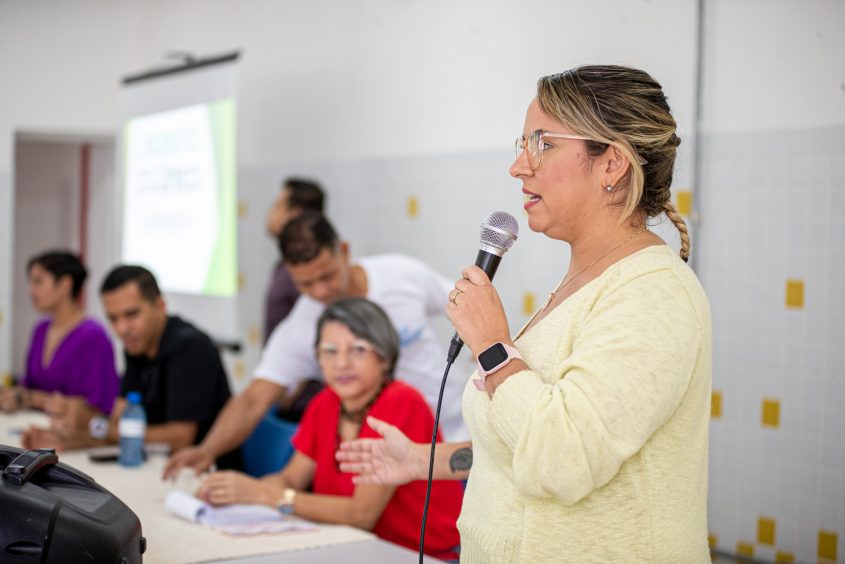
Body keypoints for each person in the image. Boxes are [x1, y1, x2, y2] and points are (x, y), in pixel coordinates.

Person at [337, 65, 713, 562]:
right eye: (523, 145)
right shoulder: (585, 283)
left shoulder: (653, 294)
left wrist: (494, 348)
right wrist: (422, 460)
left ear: (612, 165)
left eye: (543, 144)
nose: (518, 167)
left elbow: (562, 459)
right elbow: (528, 438)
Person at [163, 212, 468, 479]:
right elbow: (255, 399)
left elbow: (467, 308)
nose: (321, 292)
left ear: (344, 251)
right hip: (394, 454)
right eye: (305, 285)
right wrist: (207, 450)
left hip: (462, 431)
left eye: (327, 276)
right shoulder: (303, 328)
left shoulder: (402, 274)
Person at [197, 298, 462, 559]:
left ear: (385, 357)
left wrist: (265, 495)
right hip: (350, 548)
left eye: (358, 349)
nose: (341, 363)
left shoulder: (402, 402)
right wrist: (235, 493)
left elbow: (362, 515)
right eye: (330, 351)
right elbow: (290, 480)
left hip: (420, 555)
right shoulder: (326, 403)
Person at [23, 265, 240, 470]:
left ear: (160, 307)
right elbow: (118, 421)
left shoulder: (190, 348)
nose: (122, 329)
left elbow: (179, 438)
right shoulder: (137, 345)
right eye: (113, 318)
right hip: (155, 466)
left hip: (205, 476)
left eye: (131, 314)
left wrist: (92, 425)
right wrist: (68, 439)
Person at [0, 251, 118, 415]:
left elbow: (99, 405)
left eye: (38, 282)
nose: (31, 290)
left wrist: (33, 398)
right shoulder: (41, 330)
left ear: (65, 284)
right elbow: (27, 386)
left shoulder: (94, 337)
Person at [264, 177, 325, 341]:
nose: (270, 213)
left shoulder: (311, 270)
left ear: (294, 215)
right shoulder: (285, 265)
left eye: (277, 206)